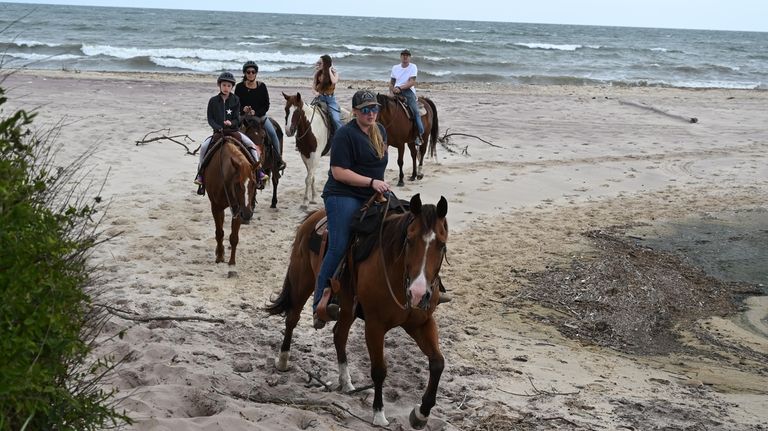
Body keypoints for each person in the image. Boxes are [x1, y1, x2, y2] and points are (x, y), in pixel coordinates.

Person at [312, 90, 390, 329]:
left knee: (406, 225)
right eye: (365, 109)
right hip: (342, 194)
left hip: (373, 193)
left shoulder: (381, 132)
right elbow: (339, 172)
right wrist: (371, 182)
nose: (371, 113)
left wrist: (379, 188)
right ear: (355, 112)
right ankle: (319, 305)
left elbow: (377, 166)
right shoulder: (345, 135)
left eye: (374, 108)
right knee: (339, 244)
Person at [195, 71, 261, 192]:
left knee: (251, 145)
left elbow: (237, 118)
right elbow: (210, 119)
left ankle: (259, 172)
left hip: (233, 131)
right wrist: (219, 127)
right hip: (218, 132)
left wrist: (232, 123)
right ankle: (200, 175)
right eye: (224, 85)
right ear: (219, 85)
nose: (226, 88)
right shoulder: (213, 101)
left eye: (229, 86)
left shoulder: (235, 100)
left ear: (232, 87)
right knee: (204, 147)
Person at [234, 61, 286, 171]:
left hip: (260, 117)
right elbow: (236, 103)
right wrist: (242, 109)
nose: (251, 74)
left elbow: (266, 105)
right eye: (248, 72)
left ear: (256, 73)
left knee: (272, 133)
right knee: (231, 132)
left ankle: (278, 160)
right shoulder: (239, 87)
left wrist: (255, 112)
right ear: (245, 73)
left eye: (253, 72)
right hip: (243, 117)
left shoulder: (262, 86)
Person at [389, 49, 424, 146]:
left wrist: (400, 88)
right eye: (403, 55)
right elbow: (392, 82)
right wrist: (392, 90)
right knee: (385, 107)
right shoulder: (395, 67)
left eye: (407, 55)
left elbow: (412, 82)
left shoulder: (413, 67)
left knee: (415, 112)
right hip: (396, 91)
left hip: (408, 91)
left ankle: (419, 135)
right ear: (400, 56)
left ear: (410, 57)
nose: (405, 57)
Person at [313, 54, 343, 133]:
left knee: (336, 119)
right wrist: (316, 92)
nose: (318, 64)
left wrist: (329, 70)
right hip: (320, 98)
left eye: (320, 63)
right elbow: (313, 87)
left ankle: (340, 135)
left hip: (330, 101)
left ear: (326, 64)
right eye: (318, 63)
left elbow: (334, 81)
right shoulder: (318, 74)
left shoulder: (334, 73)